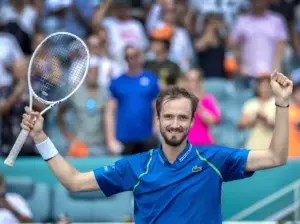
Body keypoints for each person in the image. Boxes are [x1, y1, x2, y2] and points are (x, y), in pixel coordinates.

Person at [21, 71, 293, 223]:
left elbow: (276, 156)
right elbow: (74, 182)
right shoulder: (135, 165)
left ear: (191, 121)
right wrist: (42, 138)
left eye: (182, 117)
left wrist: (281, 103)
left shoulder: (214, 158)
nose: (175, 123)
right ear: (159, 119)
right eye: (169, 117)